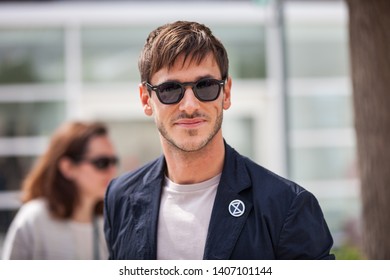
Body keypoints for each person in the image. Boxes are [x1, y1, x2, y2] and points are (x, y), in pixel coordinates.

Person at [104, 21, 335, 260]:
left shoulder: (287, 206)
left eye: (205, 86)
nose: (190, 106)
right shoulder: (119, 197)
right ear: (146, 100)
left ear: (226, 93)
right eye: (170, 90)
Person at [2, 121, 118, 260]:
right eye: (102, 163)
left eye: (114, 161)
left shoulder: (110, 222)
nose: (112, 171)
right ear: (68, 167)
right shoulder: (35, 219)